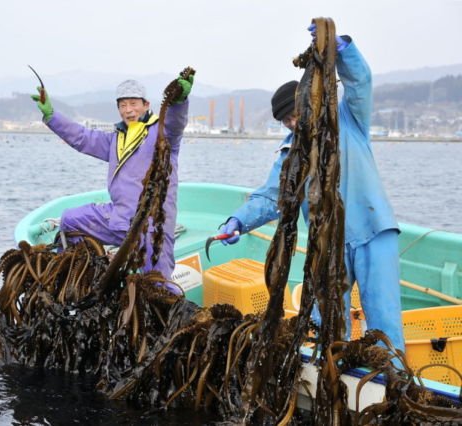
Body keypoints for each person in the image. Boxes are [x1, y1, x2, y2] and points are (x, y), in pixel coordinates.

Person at [218, 24, 405, 352]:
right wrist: (238, 221)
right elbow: (271, 196)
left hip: (374, 232)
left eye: (295, 114)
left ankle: (393, 379)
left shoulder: (347, 119)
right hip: (327, 243)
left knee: (384, 319)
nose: (292, 122)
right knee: (326, 320)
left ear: (309, 101)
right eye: (285, 120)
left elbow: (360, 83)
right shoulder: (291, 153)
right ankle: (330, 374)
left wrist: (344, 50)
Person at [31, 75, 193, 292]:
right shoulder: (115, 139)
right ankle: (87, 280)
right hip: (119, 218)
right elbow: (82, 138)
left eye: (134, 103)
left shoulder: (163, 134)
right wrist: (52, 116)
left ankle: (175, 318)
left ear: (146, 105)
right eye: (123, 105)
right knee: (70, 221)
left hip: (154, 227)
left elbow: (176, 122)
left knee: (158, 285)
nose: (128, 110)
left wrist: (180, 100)